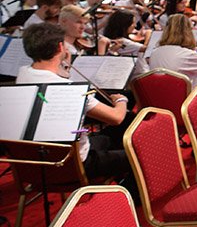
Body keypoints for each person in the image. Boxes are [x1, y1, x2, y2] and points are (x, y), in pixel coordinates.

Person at [16, 23, 136, 193]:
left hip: (35, 164)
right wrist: (122, 100)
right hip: (77, 163)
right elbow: (116, 117)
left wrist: (64, 67)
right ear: (60, 47)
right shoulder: (69, 89)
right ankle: (130, 195)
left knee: (109, 137)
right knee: (139, 149)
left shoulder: (23, 74)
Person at [149, 14, 197, 88]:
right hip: (189, 97)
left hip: (162, 96)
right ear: (188, 32)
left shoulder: (154, 53)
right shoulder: (188, 54)